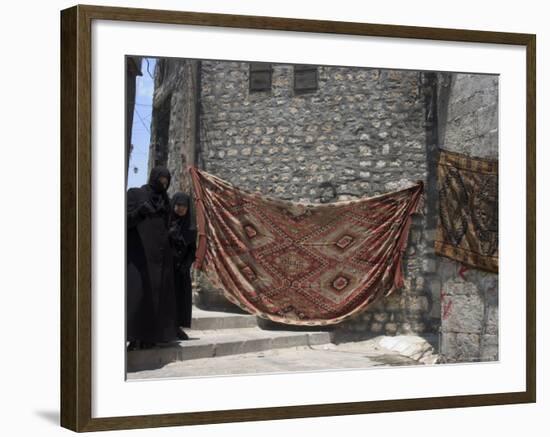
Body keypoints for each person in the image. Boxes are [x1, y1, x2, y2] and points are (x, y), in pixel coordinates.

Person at [126, 166, 178, 350]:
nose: (163, 183)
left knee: (156, 298)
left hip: (161, 257)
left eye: (166, 181)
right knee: (137, 296)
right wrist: (139, 213)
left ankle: (151, 337)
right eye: (160, 179)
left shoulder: (166, 201)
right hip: (139, 255)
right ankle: (133, 337)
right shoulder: (135, 194)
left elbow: (168, 224)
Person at [168, 192, 197, 341]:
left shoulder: (190, 228)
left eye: (184, 206)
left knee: (181, 299)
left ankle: (177, 327)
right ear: (173, 205)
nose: (181, 209)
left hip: (182, 270)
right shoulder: (166, 222)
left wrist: (186, 264)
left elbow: (193, 250)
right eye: (179, 205)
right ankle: (166, 328)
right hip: (167, 269)